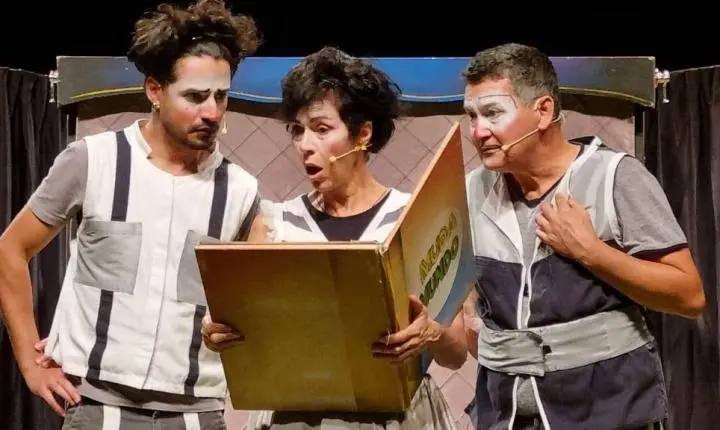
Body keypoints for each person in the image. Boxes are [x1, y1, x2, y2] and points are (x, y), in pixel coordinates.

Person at [0, 1, 265, 428]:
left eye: (221, 96)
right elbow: (10, 249)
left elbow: (257, 305)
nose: (212, 112)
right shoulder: (93, 160)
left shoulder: (241, 191)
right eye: (195, 96)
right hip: (97, 406)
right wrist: (31, 365)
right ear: (155, 91)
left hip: (196, 413)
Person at [200, 46, 469, 429]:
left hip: (398, 417)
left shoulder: (411, 217)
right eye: (298, 131)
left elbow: (456, 353)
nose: (305, 144)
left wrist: (430, 333)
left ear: (363, 133)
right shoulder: (276, 225)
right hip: (298, 416)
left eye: (322, 129)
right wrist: (218, 331)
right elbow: (242, 331)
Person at [461, 43, 706, 430]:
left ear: (543, 111)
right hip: (507, 418)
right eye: (472, 116)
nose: (478, 131)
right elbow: (468, 308)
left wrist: (591, 252)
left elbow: (689, 296)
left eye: (493, 113)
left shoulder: (615, 178)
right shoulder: (471, 190)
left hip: (610, 415)